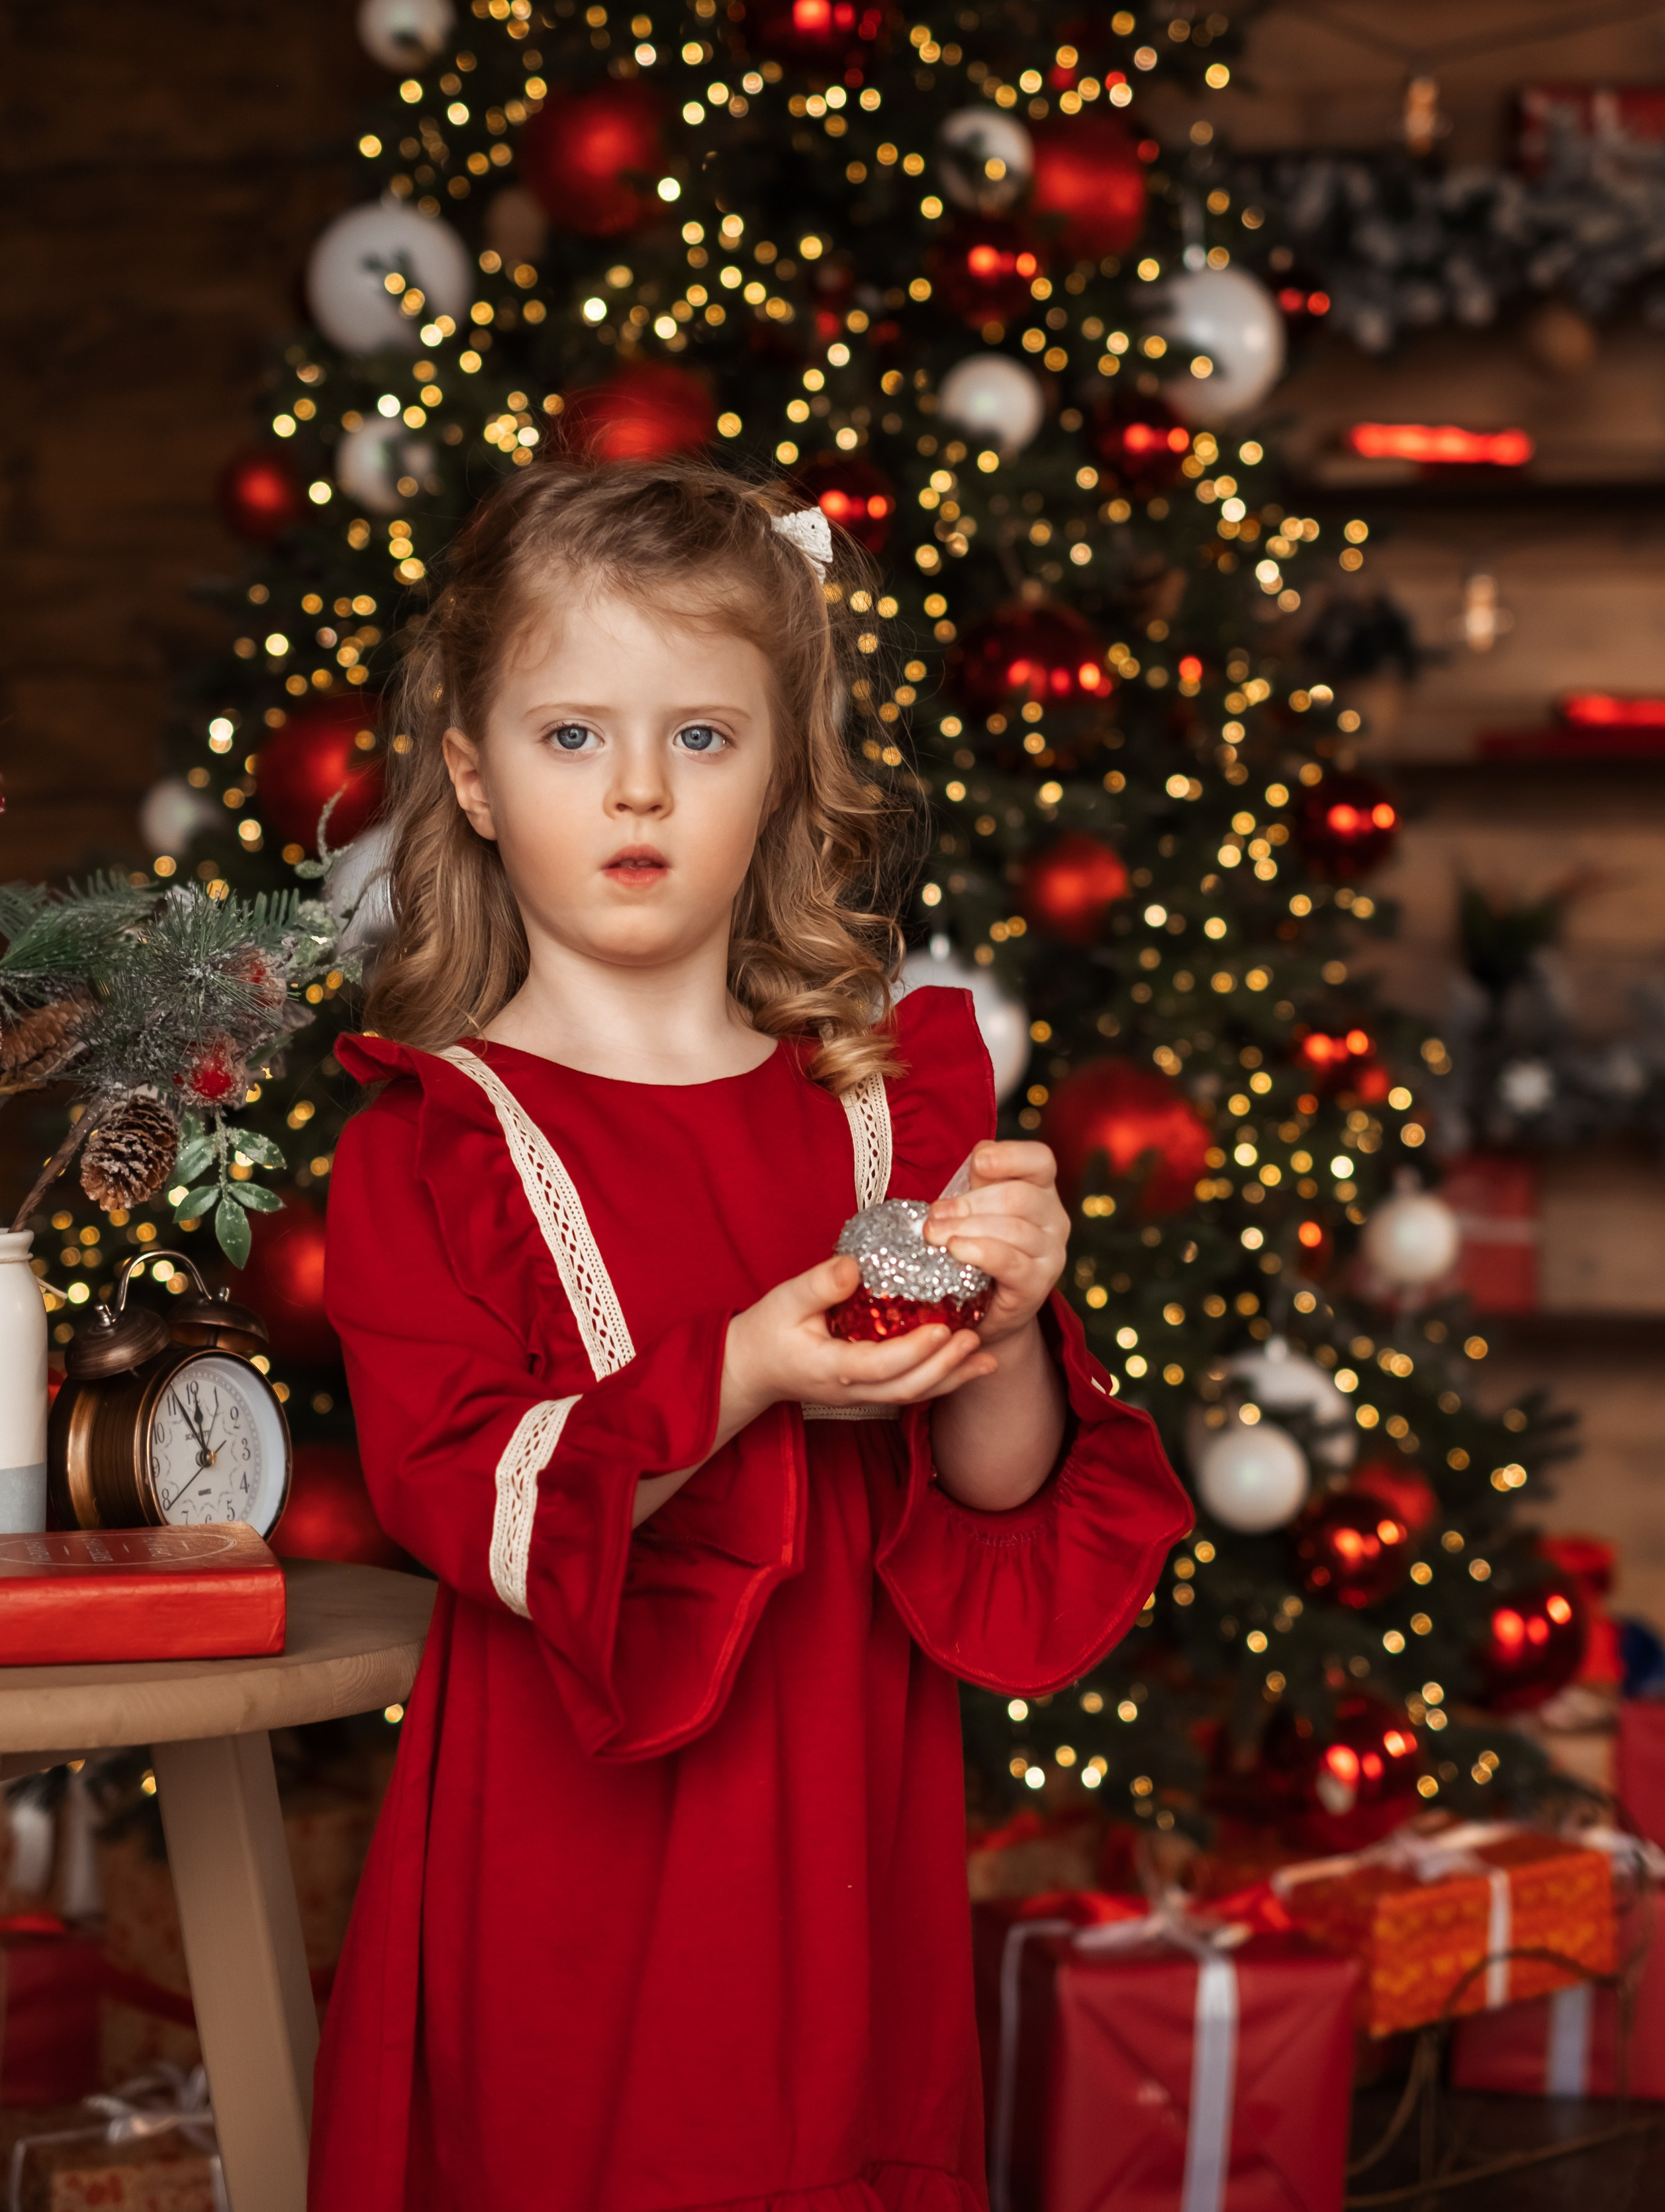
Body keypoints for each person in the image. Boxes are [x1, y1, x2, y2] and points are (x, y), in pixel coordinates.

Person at [310, 461, 1190, 2212]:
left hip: (838, 1820)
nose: (638, 785)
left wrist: (1004, 1329)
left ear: (780, 767)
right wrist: (743, 1373)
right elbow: (461, 1499)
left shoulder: (874, 1110)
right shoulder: (433, 1139)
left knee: (832, 2156)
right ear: (473, 777)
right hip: (569, 1846)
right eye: (574, 737)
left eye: (702, 738)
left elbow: (997, 1503)